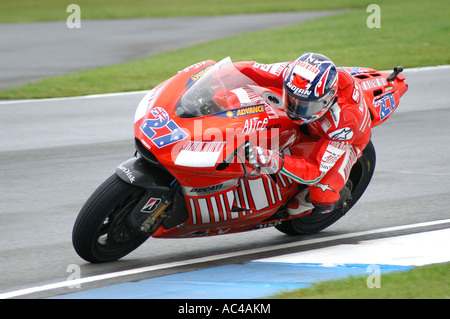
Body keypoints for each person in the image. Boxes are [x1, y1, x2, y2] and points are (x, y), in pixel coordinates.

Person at [236, 52, 372, 216]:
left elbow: (314, 170)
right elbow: (250, 69)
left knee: (322, 196)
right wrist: (216, 73)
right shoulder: (295, 75)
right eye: (294, 100)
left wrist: (273, 159)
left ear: (327, 99)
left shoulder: (344, 121)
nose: (297, 109)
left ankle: (319, 198)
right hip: (312, 124)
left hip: (342, 141)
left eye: (306, 105)